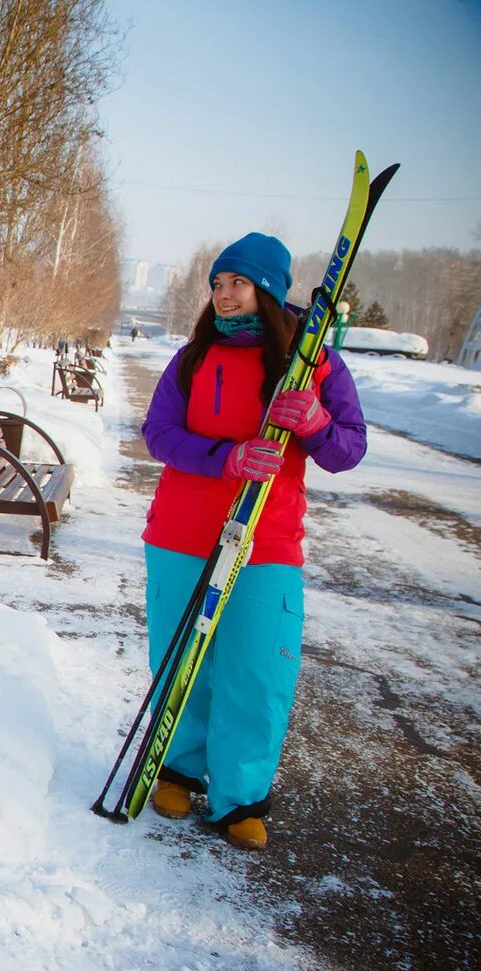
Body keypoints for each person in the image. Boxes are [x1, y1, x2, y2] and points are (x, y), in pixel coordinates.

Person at [140, 232, 367, 850]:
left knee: (258, 669)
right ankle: (179, 769)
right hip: (182, 536)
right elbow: (157, 434)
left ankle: (240, 797)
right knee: (183, 660)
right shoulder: (193, 357)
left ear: (266, 291)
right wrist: (226, 458)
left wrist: (316, 424)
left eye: (237, 282)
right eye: (217, 283)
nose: (223, 295)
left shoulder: (315, 361)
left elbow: (350, 448)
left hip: (266, 542)